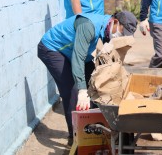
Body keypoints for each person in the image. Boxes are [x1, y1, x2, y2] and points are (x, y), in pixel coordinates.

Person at [37, 11, 137, 141]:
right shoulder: (88, 26)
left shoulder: (107, 27)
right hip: (53, 49)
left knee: (96, 80)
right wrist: (82, 90)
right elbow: (77, 58)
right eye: (122, 32)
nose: (121, 36)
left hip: (74, 52)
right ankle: (76, 139)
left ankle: (96, 129)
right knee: (72, 90)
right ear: (116, 22)